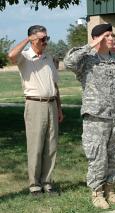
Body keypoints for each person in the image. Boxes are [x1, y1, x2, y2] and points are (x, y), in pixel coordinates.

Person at [64, 23, 115, 210]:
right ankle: (97, 193)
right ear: (98, 38)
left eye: (113, 35)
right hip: (96, 117)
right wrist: (91, 45)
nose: (112, 38)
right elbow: (69, 62)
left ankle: (111, 191)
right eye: (108, 35)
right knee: (98, 156)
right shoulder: (86, 60)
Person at [7, 25, 63, 196]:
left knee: (51, 146)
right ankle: (34, 185)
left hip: (52, 104)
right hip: (35, 105)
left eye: (47, 38)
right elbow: (11, 55)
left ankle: (47, 182)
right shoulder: (24, 57)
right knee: (36, 146)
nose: (45, 42)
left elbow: (55, 85)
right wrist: (27, 40)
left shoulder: (49, 58)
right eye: (42, 39)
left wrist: (59, 108)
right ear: (32, 39)